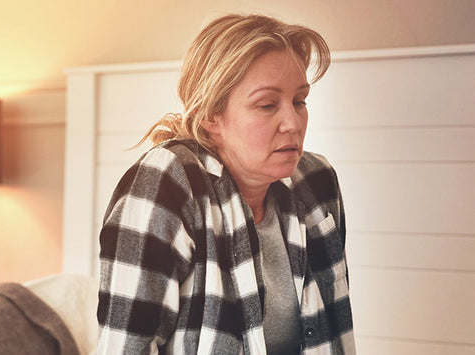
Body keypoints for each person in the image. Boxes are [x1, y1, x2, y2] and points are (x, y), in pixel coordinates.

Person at [96, 13, 355, 354]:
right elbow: (126, 347)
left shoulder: (316, 180)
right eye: (266, 105)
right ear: (210, 116)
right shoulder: (168, 183)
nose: (293, 122)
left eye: (299, 101)